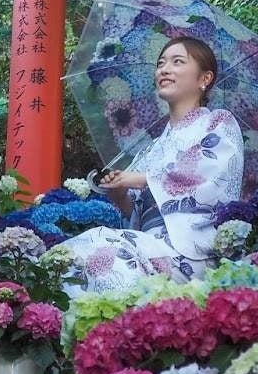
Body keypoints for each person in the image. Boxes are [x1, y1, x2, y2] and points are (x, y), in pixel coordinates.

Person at [62, 34, 246, 293]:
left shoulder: (218, 122)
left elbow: (211, 179)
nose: (165, 69)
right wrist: (118, 192)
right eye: (161, 63)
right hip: (148, 242)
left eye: (178, 62)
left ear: (205, 78)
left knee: (102, 250)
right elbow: (134, 211)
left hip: (190, 248)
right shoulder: (153, 147)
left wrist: (137, 178)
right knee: (73, 258)